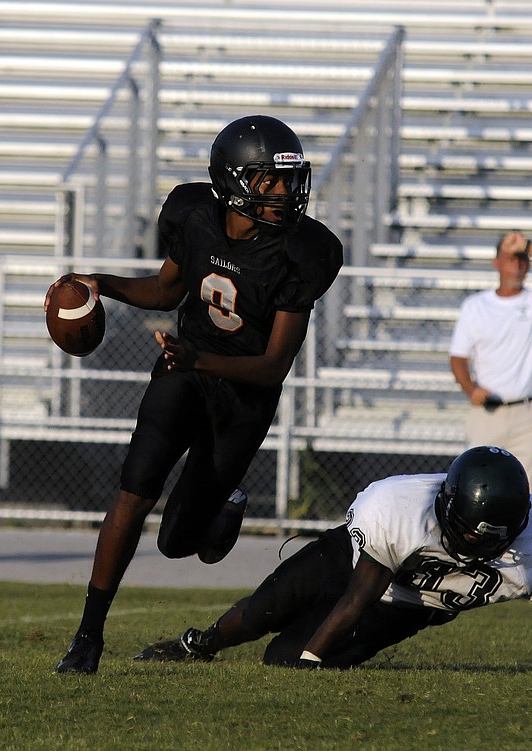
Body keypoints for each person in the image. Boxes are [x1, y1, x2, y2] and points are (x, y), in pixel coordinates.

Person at [47, 114, 343, 674]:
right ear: (233, 181)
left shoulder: (304, 252)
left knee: (182, 544)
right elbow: (165, 290)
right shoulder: (191, 214)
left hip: (244, 396)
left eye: (288, 179)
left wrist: (199, 357)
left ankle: (227, 502)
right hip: (183, 375)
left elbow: (275, 365)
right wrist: (100, 283)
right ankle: (88, 635)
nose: (283, 192)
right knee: (134, 488)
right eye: (268, 180)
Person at [135, 445, 532, 676]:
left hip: (404, 607)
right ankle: (199, 644)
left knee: (281, 659)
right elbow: (357, 596)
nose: (466, 540)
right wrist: (316, 657)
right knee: (262, 609)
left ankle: (296, 654)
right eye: (461, 529)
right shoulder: (401, 509)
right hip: (348, 560)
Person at [449, 231, 532, 497]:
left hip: (528, 414)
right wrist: (470, 389)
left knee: (526, 497)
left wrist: (529, 246)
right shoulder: (475, 306)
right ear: (496, 263)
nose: (517, 265)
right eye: (510, 258)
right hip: (488, 414)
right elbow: (458, 358)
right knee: (477, 492)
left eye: (522, 259)